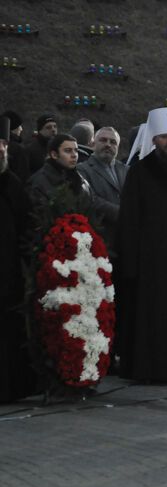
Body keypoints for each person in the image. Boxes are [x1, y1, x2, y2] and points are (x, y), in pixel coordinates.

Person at [116, 108, 167, 382]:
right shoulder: (139, 172)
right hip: (149, 262)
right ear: (153, 139)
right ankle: (150, 370)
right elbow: (128, 220)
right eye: (164, 137)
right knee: (150, 319)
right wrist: (130, 264)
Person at [0, 116, 36, 403]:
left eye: (3, 144)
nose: (1, 150)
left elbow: (26, 228)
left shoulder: (13, 184)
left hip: (9, 273)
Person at [77, 127, 128, 256]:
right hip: (99, 240)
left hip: (125, 241)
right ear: (93, 143)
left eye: (113, 142)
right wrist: (123, 213)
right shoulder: (82, 170)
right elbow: (91, 199)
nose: (108, 145)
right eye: (103, 140)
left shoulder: (127, 170)